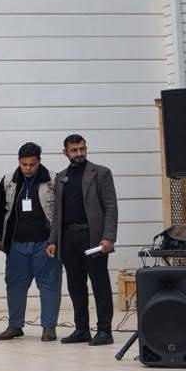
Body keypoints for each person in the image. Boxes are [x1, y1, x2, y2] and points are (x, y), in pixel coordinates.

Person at [50, 134, 119, 346]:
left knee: (100, 284)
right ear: (65, 152)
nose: (79, 153)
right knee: (75, 285)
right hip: (68, 238)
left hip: (93, 238)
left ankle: (105, 331)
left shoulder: (101, 173)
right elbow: (57, 212)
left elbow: (111, 207)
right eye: (74, 150)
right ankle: (81, 329)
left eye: (82, 149)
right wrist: (53, 240)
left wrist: (108, 237)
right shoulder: (61, 178)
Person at [0, 142, 59, 342]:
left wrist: (55, 239)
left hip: (45, 243)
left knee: (49, 284)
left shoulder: (53, 180)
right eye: (24, 164)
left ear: (39, 161)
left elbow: (60, 213)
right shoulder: (8, 181)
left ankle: (49, 327)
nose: (28, 168)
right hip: (17, 244)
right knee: (15, 285)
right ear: (18, 162)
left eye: (32, 164)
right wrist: (1, 237)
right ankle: (15, 325)